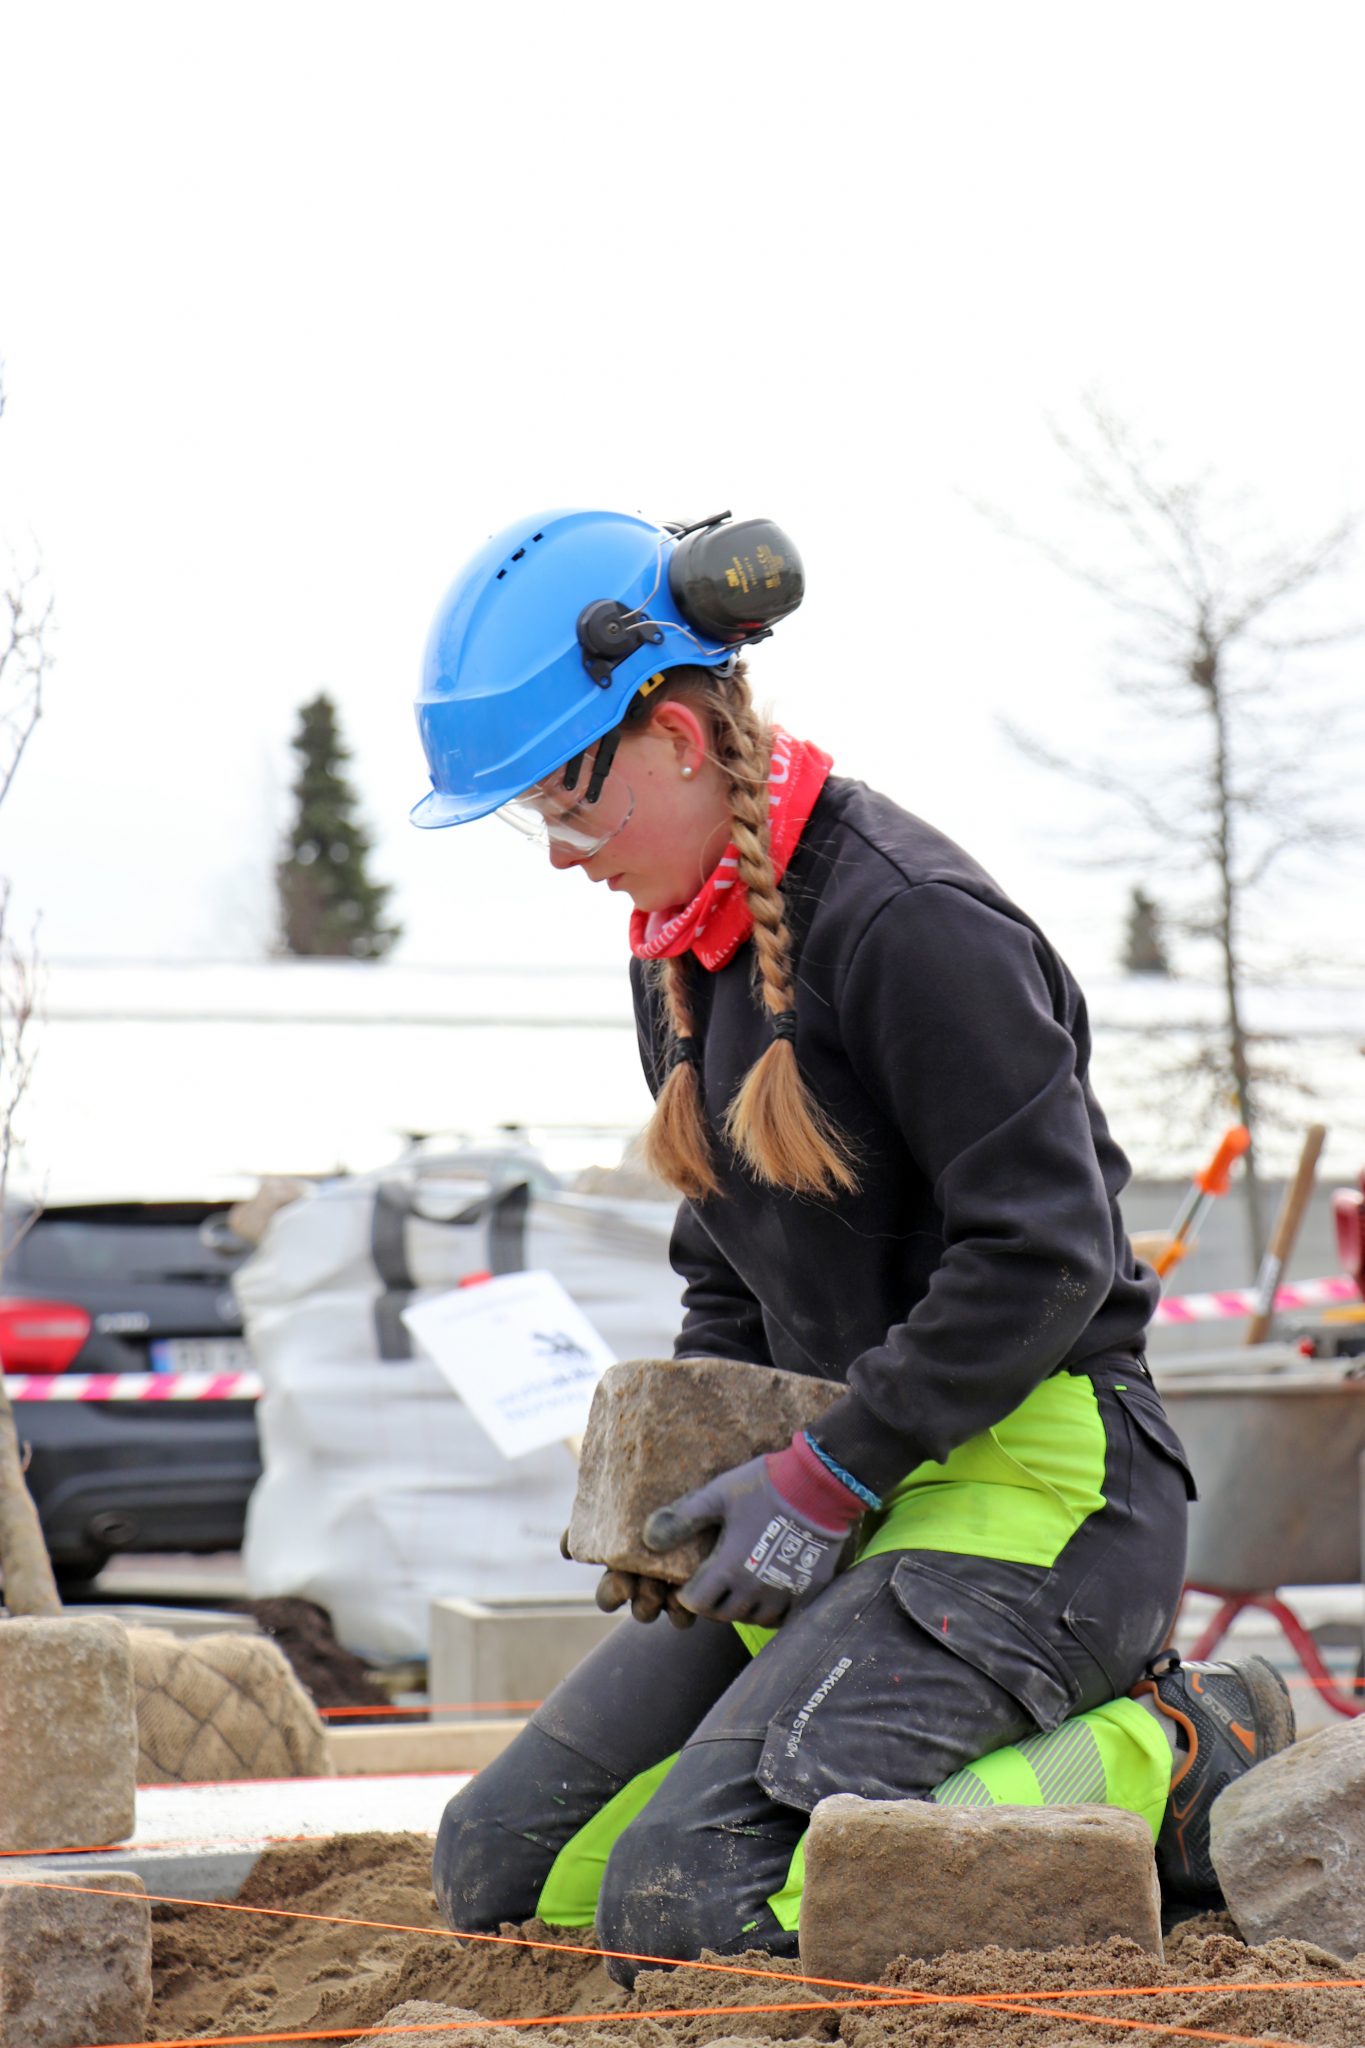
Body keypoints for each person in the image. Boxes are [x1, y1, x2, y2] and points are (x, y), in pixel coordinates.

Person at [410, 509, 1293, 1979]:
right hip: (849, 1489)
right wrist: (695, 1474)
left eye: (566, 802)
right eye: (530, 819)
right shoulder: (681, 951)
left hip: (1041, 1494)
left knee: (697, 1895)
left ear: (674, 739)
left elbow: (1045, 1257)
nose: (559, 854)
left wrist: (831, 1471)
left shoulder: (911, 924)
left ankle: (1177, 1749)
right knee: (501, 1867)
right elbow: (727, 1264)